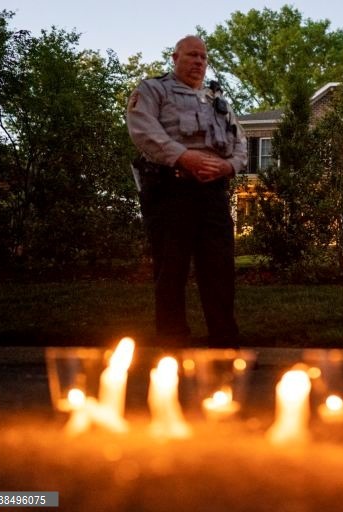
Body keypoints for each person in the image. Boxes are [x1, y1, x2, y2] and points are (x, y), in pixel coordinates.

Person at [126, 35, 246, 345]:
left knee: (219, 269)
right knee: (171, 269)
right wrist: (184, 157)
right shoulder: (153, 90)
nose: (199, 62)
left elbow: (240, 141)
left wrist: (228, 166)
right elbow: (142, 129)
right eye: (192, 55)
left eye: (204, 57)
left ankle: (224, 343)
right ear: (174, 57)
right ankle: (172, 344)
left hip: (213, 194)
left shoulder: (217, 101)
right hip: (170, 191)